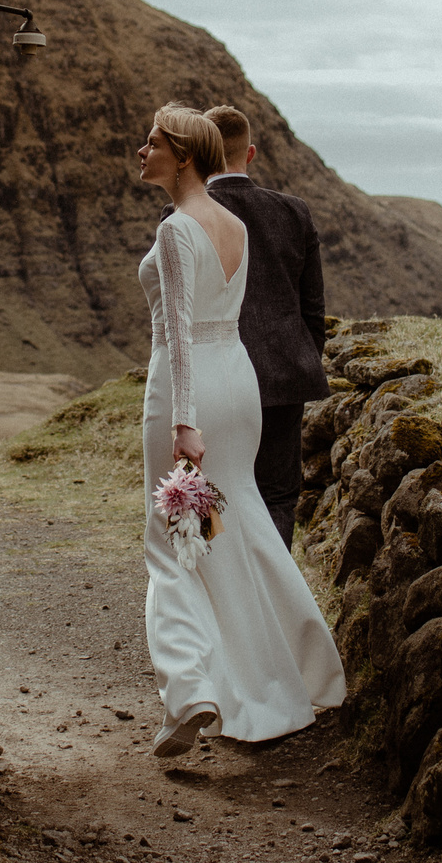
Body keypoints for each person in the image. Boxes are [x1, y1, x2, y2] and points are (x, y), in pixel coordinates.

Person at [134, 103, 347, 758]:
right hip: (240, 387)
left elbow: (178, 331)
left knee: (176, 544)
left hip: (189, 395)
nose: (142, 151)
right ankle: (303, 670)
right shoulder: (232, 224)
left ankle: (190, 689)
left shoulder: (176, 230)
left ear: (186, 155)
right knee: (243, 522)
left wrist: (182, 422)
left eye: (154, 142)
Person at [199, 104, 330, 548]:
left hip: (216, 379)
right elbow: (313, 311)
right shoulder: (294, 212)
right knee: (276, 496)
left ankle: (224, 596)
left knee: (214, 492)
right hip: (282, 378)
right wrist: (296, 359)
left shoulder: (184, 215)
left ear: (199, 154)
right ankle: (272, 603)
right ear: (249, 153)